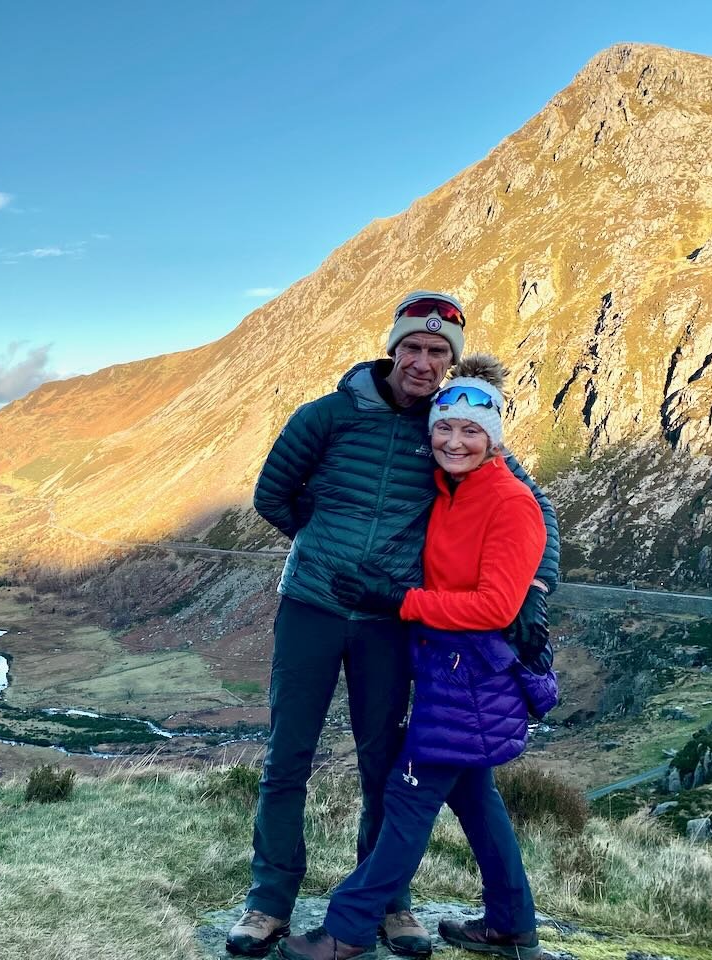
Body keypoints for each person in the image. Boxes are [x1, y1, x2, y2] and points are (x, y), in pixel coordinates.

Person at [226, 292, 559, 958]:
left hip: (389, 622)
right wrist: (323, 546)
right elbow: (273, 495)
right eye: (414, 347)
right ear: (393, 348)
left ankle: (388, 906)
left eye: (440, 352)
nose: (425, 361)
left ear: (451, 363)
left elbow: (532, 505)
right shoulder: (327, 416)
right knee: (288, 755)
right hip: (312, 609)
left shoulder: (450, 423)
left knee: (383, 762)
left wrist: (535, 591)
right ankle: (268, 904)